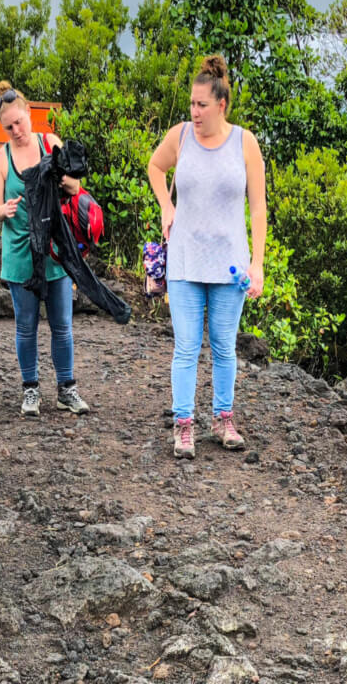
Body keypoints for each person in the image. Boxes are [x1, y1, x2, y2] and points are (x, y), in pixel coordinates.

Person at [145, 55, 268, 459]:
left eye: (201, 105)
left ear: (221, 105)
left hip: (230, 263)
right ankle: (184, 425)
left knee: (223, 345)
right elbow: (155, 167)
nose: (194, 112)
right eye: (191, 105)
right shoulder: (180, 135)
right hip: (184, 260)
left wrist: (258, 265)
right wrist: (166, 205)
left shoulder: (244, 142)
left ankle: (223, 419)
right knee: (185, 346)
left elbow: (258, 208)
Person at [0, 81, 91, 417]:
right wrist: (7, 210)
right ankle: (30, 389)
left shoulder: (50, 143)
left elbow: (75, 187)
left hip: (56, 250)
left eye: (20, 122)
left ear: (30, 113)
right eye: (9, 126)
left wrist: (61, 180)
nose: (17, 130)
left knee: (62, 324)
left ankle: (66, 389)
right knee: (25, 326)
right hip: (19, 252)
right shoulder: (0, 160)